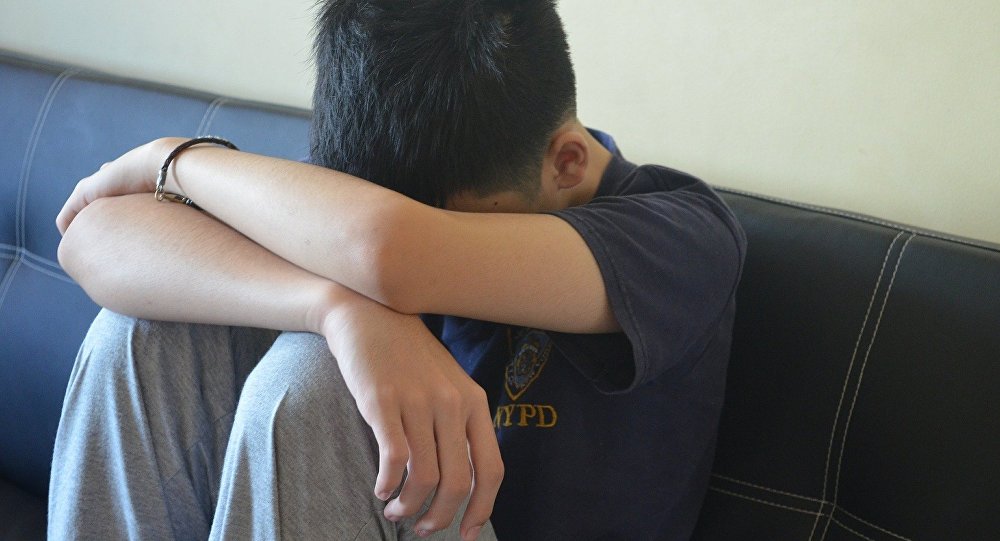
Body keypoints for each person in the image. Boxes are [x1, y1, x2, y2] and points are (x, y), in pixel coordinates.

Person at [50, 1, 746, 539]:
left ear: (566, 163)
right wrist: (336, 307)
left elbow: (387, 250)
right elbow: (92, 236)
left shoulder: (681, 238)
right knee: (146, 333)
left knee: (313, 382)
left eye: (453, 223)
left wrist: (172, 158)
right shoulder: (392, 161)